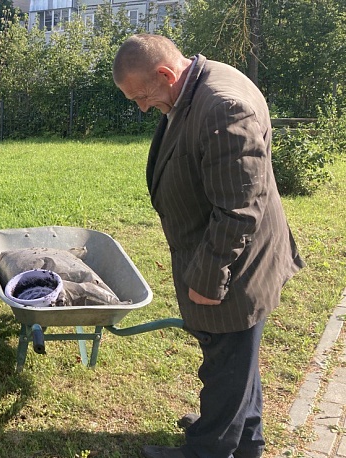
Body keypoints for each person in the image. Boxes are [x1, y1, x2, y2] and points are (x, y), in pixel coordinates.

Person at [112, 34, 305, 458]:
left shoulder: (222, 105)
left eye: (142, 96)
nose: (142, 107)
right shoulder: (197, 85)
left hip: (237, 264)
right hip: (233, 255)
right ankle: (246, 440)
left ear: (165, 73)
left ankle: (208, 450)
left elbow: (238, 211)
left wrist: (208, 278)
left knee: (225, 361)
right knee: (237, 360)